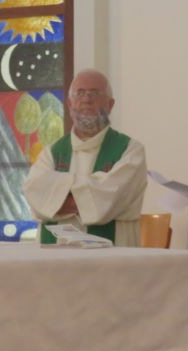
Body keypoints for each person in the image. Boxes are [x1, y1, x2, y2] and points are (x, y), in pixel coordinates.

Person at [23, 69, 147, 247]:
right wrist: (90, 193)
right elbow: (34, 193)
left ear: (110, 104)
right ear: (70, 103)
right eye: (80, 93)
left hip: (113, 256)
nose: (87, 100)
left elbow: (111, 199)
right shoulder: (52, 153)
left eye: (95, 93)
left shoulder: (130, 151)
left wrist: (56, 195)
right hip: (56, 259)